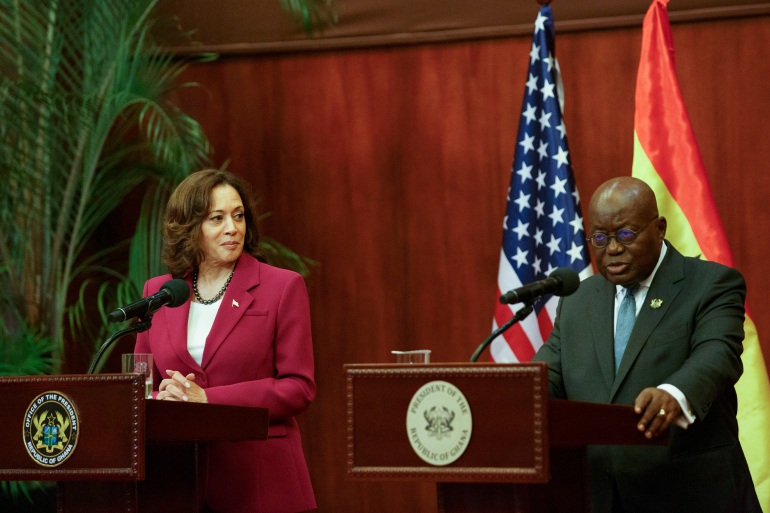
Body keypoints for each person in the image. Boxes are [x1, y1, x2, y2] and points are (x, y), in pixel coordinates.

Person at [532, 176, 762, 513]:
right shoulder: (578, 300)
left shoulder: (711, 283)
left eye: (625, 234)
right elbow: (547, 377)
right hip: (601, 497)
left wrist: (675, 393)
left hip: (691, 493)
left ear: (659, 228)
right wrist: (506, 397)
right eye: (600, 237)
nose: (611, 248)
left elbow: (718, 354)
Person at [134, 168, 316, 513]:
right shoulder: (159, 294)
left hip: (260, 481)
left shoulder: (282, 287)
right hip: (178, 482)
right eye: (217, 218)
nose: (232, 228)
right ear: (190, 227)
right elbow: (142, 387)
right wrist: (162, 397)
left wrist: (207, 400)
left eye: (238, 216)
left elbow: (299, 387)